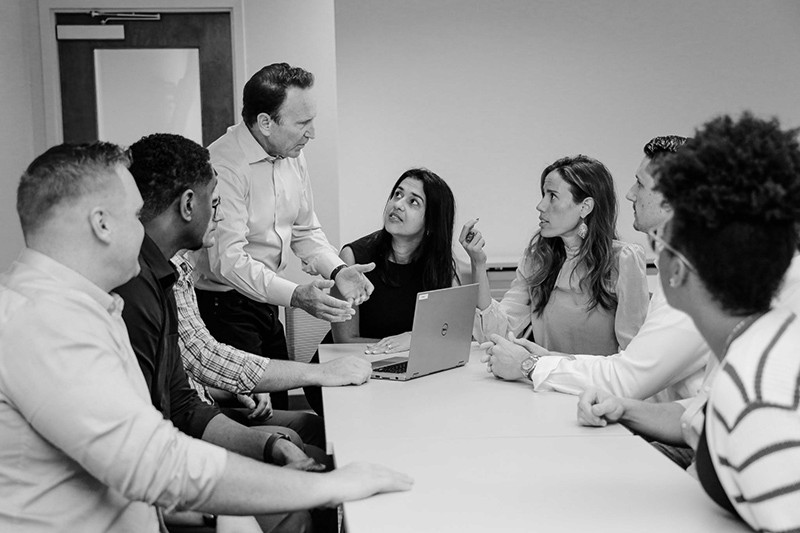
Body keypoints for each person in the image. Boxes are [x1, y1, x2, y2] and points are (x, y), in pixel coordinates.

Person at [0, 142, 412, 533]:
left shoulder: (86, 304)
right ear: (102, 224)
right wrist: (328, 488)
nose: (143, 228)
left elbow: (176, 408)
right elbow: (155, 462)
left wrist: (268, 451)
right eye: (135, 214)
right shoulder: (44, 322)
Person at [576, 113, 800, 531]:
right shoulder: (754, 343)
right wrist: (626, 409)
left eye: (660, 245)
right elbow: (702, 415)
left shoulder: (756, 391)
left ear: (675, 271)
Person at [113, 133, 331, 531]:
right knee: (294, 499)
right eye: (216, 205)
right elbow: (158, 423)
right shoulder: (132, 288)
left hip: (178, 444)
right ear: (188, 205)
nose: (222, 216)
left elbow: (180, 399)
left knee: (303, 447)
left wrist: (267, 443)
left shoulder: (166, 274)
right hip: (159, 479)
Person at [193, 63, 374, 410]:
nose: (312, 134)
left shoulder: (293, 155)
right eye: (303, 123)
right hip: (224, 307)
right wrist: (297, 296)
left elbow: (305, 229)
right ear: (265, 122)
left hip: (267, 301)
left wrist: (338, 270)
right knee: (255, 414)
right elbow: (229, 261)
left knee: (279, 403)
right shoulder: (223, 165)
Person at [480, 137, 710, 403]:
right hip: (590, 399)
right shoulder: (679, 270)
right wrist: (543, 360)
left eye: (641, 184)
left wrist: (531, 365)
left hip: (662, 422)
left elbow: (629, 376)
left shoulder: (692, 281)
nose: (630, 194)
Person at [302, 169, 458, 414]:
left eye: (413, 201)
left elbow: (449, 336)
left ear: (432, 223)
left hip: (404, 373)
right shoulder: (354, 258)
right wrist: (410, 344)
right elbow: (345, 341)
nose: (397, 204)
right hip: (347, 372)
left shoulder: (439, 266)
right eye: (397, 194)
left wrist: (411, 345)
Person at [461, 154, 649, 356]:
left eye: (552, 196)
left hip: (595, 386)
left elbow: (633, 359)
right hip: (542, 383)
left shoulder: (623, 260)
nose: (540, 206)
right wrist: (478, 264)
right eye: (543, 195)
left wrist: (543, 363)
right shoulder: (537, 259)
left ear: (585, 207)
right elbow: (494, 335)